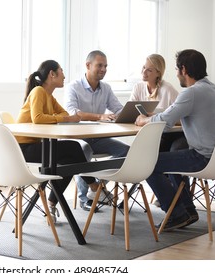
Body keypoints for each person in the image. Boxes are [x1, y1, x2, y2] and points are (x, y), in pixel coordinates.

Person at [135, 49, 215, 231]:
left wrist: (144, 120)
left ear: (184, 70)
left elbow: (164, 122)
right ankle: (187, 210)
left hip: (202, 157)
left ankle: (177, 214)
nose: (177, 73)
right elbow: (171, 112)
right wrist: (154, 114)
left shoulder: (192, 93)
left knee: (146, 163)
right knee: (173, 157)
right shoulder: (214, 89)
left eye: (177, 69)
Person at [15, 59, 99, 223]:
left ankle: (52, 203)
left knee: (69, 161)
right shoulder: (38, 91)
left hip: (36, 147)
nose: (64, 76)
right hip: (22, 150)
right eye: (61, 71)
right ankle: (94, 186)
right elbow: (38, 119)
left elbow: (65, 114)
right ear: (52, 74)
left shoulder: (49, 96)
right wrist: (67, 118)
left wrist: (66, 117)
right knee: (73, 147)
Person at [64, 50, 130, 211]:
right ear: (88, 65)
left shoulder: (106, 88)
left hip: (98, 138)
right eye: (100, 65)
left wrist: (127, 114)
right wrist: (100, 116)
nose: (103, 69)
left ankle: (98, 187)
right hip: (77, 138)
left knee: (127, 152)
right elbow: (72, 112)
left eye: (106, 66)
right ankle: (84, 197)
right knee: (82, 152)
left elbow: (118, 109)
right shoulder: (74, 86)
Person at [127, 54, 188, 207]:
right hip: (152, 135)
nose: (144, 73)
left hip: (172, 136)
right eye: (143, 68)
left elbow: (182, 117)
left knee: (163, 155)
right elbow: (130, 113)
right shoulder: (138, 87)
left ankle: (178, 199)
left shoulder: (168, 90)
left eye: (149, 70)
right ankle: (168, 195)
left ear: (158, 73)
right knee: (144, 154)